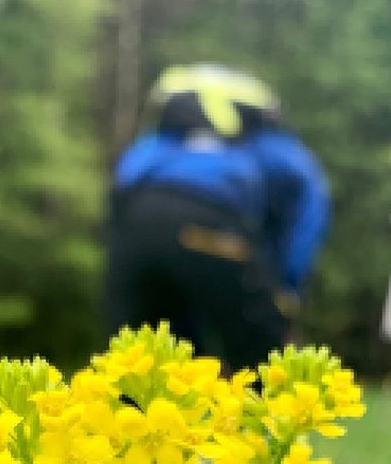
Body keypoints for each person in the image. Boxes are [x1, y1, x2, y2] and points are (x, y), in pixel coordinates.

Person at [104, 64, 331, 373]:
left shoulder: (155, 143)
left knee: (138, 356)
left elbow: (121, 188)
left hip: (138, 225)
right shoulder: (265, 145)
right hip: (214, 224)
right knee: (260, 352)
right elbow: (309, 201)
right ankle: (271, 416)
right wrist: (287, 285)